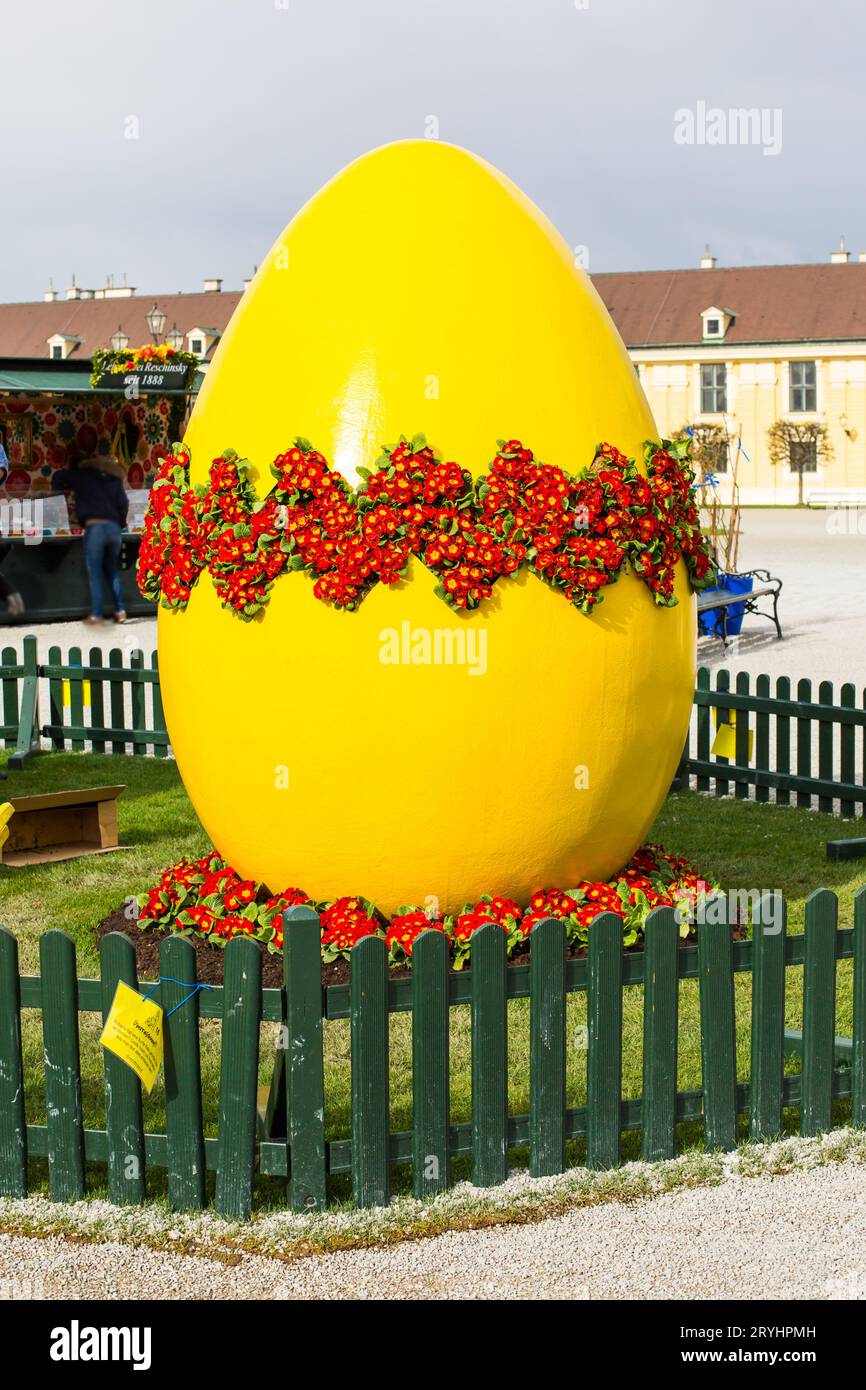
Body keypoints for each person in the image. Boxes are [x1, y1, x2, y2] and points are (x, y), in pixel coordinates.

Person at [51, 452, 129, 624]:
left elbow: (58, 476)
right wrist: (121, 522)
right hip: (114, 529)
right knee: (111, 571)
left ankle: (97, 614)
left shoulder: (82, 476)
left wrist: (56, 494)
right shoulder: (114, 480)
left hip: (95, 528)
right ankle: (121, 611)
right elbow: (124, 504)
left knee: (95, 574)